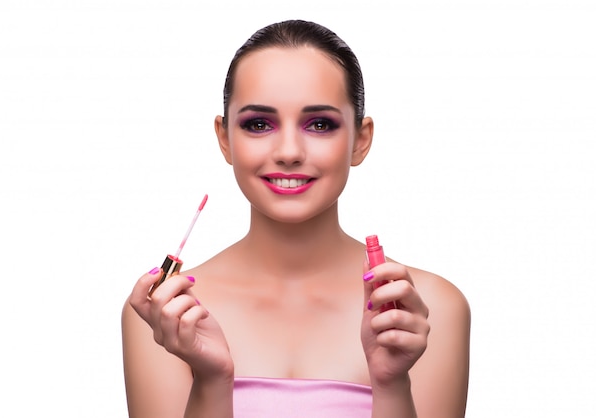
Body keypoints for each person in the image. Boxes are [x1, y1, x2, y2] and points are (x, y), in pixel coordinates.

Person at [122, 19, 470, 418]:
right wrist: (211, 380)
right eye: (259, 124)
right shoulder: (164, 313)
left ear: (361, 139)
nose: (289, 151)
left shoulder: (427, 309)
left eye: (320, 124)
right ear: (224, 139)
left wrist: (392, 384)